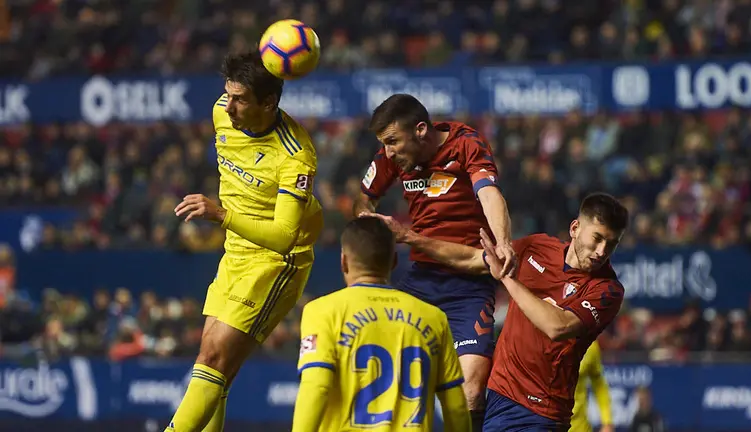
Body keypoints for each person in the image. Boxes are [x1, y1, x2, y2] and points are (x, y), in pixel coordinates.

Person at [368, 192, 628, 431]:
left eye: (611, 244)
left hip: (539, 411)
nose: (602, 251)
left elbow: (557, 326)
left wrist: (506, 278)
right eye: (597, 238)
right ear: (575, 228)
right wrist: (409, 237)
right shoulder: (536, 247)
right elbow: (471, 259)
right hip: (496, 395)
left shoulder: (607, 290)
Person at [167, 51, 323, 432]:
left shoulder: (295, 156)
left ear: (268, 103)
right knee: (214, 366)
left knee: (214, 357)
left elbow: (284, 238)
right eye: (228, 94)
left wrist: (221, 214)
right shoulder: (222, 111)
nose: (228, 105)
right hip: (235, 252)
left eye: (240, 99)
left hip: (276, 261)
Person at [353, 93, 515, 429]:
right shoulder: (390, 158)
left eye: (394, 141)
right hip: (422, 280)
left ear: (422, 130)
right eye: (384, 144)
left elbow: (489, 193)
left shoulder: (465, 142)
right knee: (383, 369)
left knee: (470, 387)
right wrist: (369, 223)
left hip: (470, 286)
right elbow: (364, 200)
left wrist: (502, 242)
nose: (388, 152)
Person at [292, 216, 471, 431]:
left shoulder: (321, 311)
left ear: (344, 261)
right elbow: (456, 406)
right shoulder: (434, 318)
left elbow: (317, 386)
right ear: (394, 261)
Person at [570, 341, 614, 432]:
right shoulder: (542, 340)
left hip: (580, 427)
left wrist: (607, 422)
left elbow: (599, 384)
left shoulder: (590, 345)